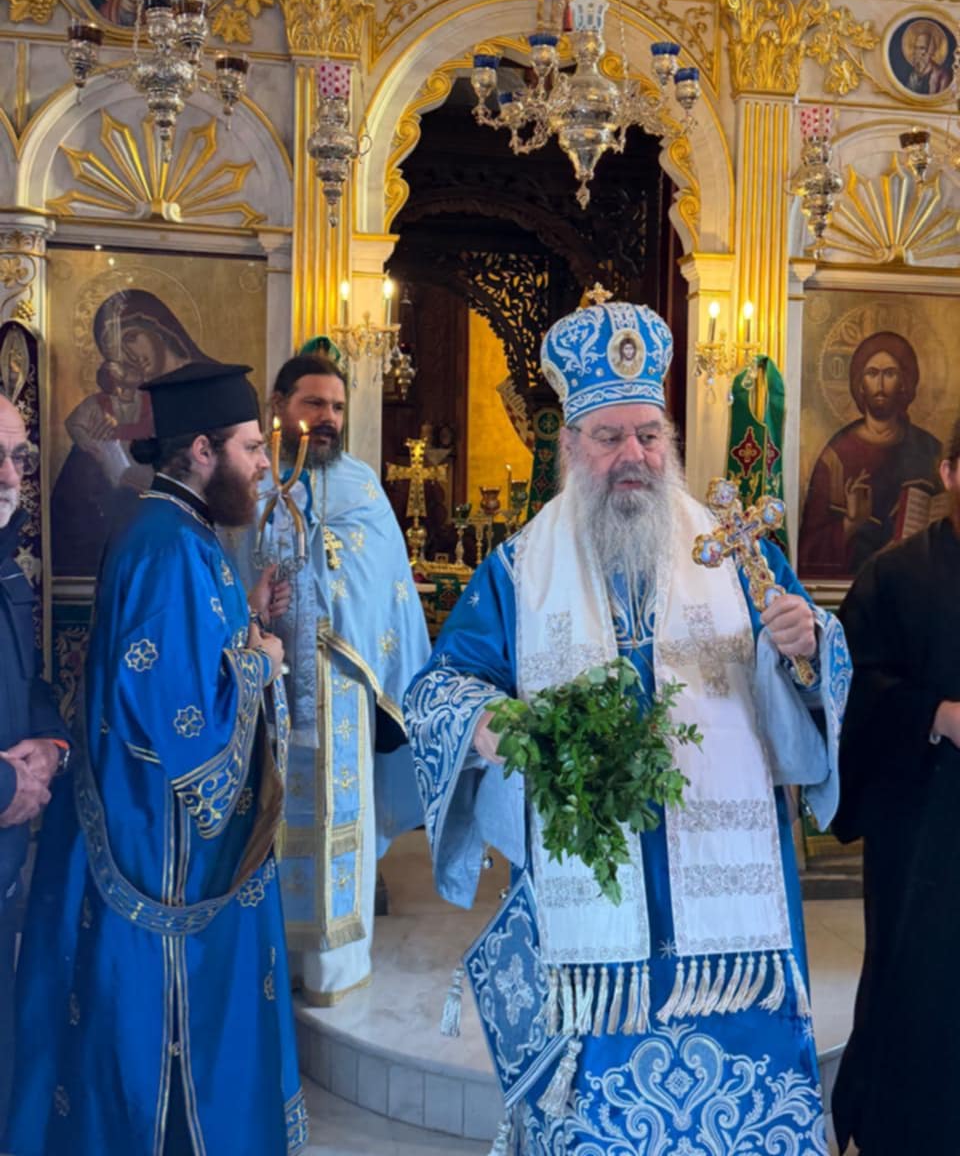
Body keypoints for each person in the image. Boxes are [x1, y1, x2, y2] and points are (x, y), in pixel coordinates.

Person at [404, 301, 851, 1153]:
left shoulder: (735, 549)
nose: (633, 456)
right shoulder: (518, 571)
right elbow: (438, 691)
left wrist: (806, 648)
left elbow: (815, 671)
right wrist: (494, 725)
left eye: (648, 434)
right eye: (609, 438)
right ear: (571, 446)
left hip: (733, 911)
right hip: (592, 893)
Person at [5, 362, 307, 1156]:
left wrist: (245, 619)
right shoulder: (170, 544)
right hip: (160, 852)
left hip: (139, 826)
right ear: (202, 450)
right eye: (251, 447)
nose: (264, 464)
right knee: (153, 1046)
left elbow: (177, 655)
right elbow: (183, 724)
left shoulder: (176, 527)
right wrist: (262, 663)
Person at [230, 353, 429, 1006]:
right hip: (259, 688)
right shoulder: (248, 484)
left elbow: (386, 588)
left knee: (336, 820)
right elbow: (228, 575)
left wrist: (325, 593)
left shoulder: (362, 486)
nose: (327, 418)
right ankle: (267, 959)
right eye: (314, 403)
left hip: (340, 686)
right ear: (280, 406)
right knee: (265, 816)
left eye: (337, 407)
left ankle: (332, 971)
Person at [831, 416, 960, 1154]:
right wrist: (936, 714)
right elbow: (853, 692)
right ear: (949, 474)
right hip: (924, 825)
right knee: (920, 980)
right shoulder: (895, 575)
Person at [0, 394, 71, 1135]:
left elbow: (32, 684)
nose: (9, 476)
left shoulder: (8, 569)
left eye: (17, 457)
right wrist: (5, 786)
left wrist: (50, 748)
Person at [52, 289, 213, 577]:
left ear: (159, 327)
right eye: (114, 353)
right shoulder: (106, 405)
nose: (127, 357)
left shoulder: (211, 386)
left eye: (130, 338)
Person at [798, 330, 941, 578]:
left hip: (916, 583)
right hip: (852, 585)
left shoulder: (928, 449)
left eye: (890, 373)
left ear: (904, 382)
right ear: (860, 384)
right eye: (872, 373)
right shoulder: (836, 456)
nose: (881, 385)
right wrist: (851, 523)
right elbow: (808, 551)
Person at [903, 20, 951, 95]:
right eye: (916, 48)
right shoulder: (913, 75)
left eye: (922, 48)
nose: (918, 53)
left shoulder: (942, 75)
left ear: (930, 50)